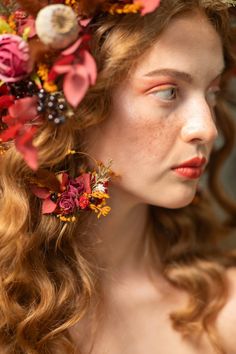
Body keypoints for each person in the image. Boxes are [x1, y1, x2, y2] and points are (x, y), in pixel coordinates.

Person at [0, 0, 236, 353]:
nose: (207, 128)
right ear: (79, 102)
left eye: (211, 92)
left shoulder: (224, 308)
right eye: (169, 91)